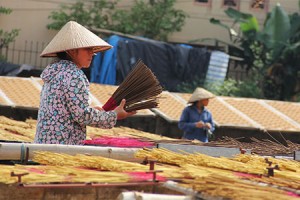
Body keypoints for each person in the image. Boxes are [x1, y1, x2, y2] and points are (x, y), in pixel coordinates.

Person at [34, 21, 135, 145]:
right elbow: (82, 116)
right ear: (71, 51)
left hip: (43, 145)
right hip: (63, 149)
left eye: (92, 50)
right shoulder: (74, 75)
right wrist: (114, 115)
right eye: (87, 49)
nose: (92, 54)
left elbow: (65, 111)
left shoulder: (54, 72)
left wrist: (92, 110)